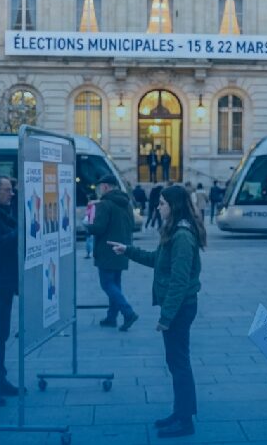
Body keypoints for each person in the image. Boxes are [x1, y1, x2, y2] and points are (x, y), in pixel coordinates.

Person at [108, 185, 205, 438]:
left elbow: (179, 281)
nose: (158, 206)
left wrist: (166, 317)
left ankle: (185, 420)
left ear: (174, 206)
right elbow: (157, 261)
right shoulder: (172, 232)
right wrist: (127, 250)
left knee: (179, 363)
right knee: (176, 362)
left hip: (181, 308)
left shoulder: (182, 236)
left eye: (162, 203)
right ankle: (180, 412)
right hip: (177, 306)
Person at [86, 174, 137, 330]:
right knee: (115, 284)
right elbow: (132, 224)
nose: (99, 191)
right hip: (122, 249)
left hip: (106, 250)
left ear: (106, 187)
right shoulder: (126, 204)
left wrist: (87, 224)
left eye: (100, 188)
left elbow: (98, 228)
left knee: (107, 284)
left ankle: (128, 312)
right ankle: (111, 317)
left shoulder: (105, 204)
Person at [0, 176, 19, 397]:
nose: (11, 194)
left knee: (3, 333)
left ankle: (0, 377)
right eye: (7, 190)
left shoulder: (6, 214)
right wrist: (18, 234)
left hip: (6, 284)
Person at [84, 192, 97, 259]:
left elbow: (90, 215)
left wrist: (90, 225)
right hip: (91, 224)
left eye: (89, 198)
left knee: (89, 239)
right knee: (89, 239)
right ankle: (89, 253)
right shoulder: (91, 206)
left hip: (90, 225)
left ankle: (90, 253)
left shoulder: (92, 206)